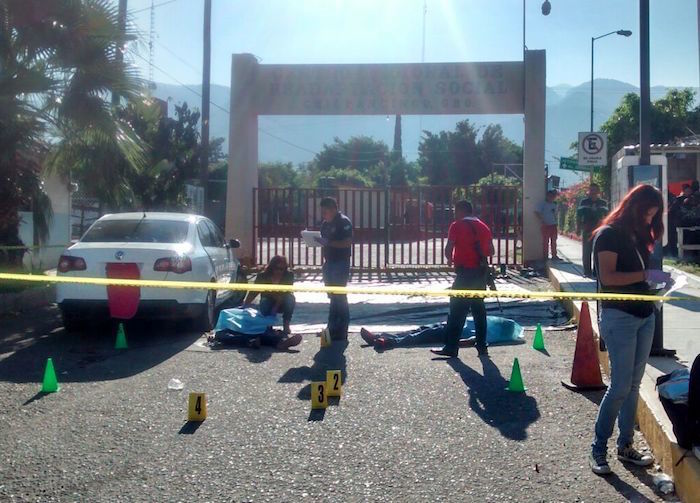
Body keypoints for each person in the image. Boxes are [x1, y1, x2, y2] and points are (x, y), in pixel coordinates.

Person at [588, 184, 672, 476]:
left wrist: (659, 282)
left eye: (655, 214)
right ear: (634, 208)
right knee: (620, 386)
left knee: (633, 386)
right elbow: (608, 277)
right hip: (619, 317)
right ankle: (598, 448)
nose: (651, 219)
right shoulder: (608, 234)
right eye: (648, 213)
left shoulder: (638, 236)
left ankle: (626, 446)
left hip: (644, 315)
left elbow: (637, 278)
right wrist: (646, 274)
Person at [431, 200, 493, 358]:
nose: (454, 213)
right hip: (480, 274)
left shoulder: (456, 225)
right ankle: (482, 346)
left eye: (455, 210)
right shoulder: (484, 227)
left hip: (465, 274)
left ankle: (451, 347)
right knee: (479, 310)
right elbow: (490, 251)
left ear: (461, 211)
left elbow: (448, 248)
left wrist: (450, 259)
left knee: (457, 310)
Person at [359, 316, 523, 349]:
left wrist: (454, 343)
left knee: (418, 336)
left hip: (451, 331)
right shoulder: (491, 323)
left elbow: (473, 340)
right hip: (450, 325)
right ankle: (380, 337)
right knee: (418, 331)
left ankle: (387, 342)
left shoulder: (492, 333)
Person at [316, 197, 353, 340]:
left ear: (333, 209)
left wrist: (329, 242)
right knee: (332, 296)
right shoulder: (325, 224)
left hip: (340, 262)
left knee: (340, 296)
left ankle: (342, 329)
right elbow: (325, 241)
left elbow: (347, 242)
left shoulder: (343, 221)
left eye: (325, 211)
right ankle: (331, 328)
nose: (323, 214)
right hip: (329, 262)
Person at [243, 255, 295, 334]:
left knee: (290, 299)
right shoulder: (262, 276)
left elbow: (285, 293)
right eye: (277, 268)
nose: (279, 271)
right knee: (265, 301)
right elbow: (253, 292)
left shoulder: (289, 276)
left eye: (282, 269)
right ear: (271, 267)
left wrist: (276, 306)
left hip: (283, 301)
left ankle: (286, 325)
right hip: (268, 300)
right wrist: (245, 305)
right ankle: (267, 326)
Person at [577, 183, 609, 277]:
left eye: (594, 190)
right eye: (591, 190)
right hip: (587, 229)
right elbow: (579, 216)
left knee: (598, 250)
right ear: (588, 191)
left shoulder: (603, 203)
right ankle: (587, 272)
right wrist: (578, 228)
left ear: (598, 191)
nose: (592, 192)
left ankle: (596, 271)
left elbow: (607, 216)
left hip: (599, 230)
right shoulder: (584, 202)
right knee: (587, 251)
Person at [536, 189, 559, 260]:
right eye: (550, 196)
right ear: (547, 196)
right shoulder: (542, 204)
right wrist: (543, 220)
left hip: (553, 225)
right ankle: (545, 256)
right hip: (546, 225)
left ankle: (554, 255)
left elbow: (555, 214)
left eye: (553, 196)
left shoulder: (554, 205)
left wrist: (556, 221)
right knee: (545, 241)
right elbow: (537, 212)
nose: (552, 197)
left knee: (554, 241)